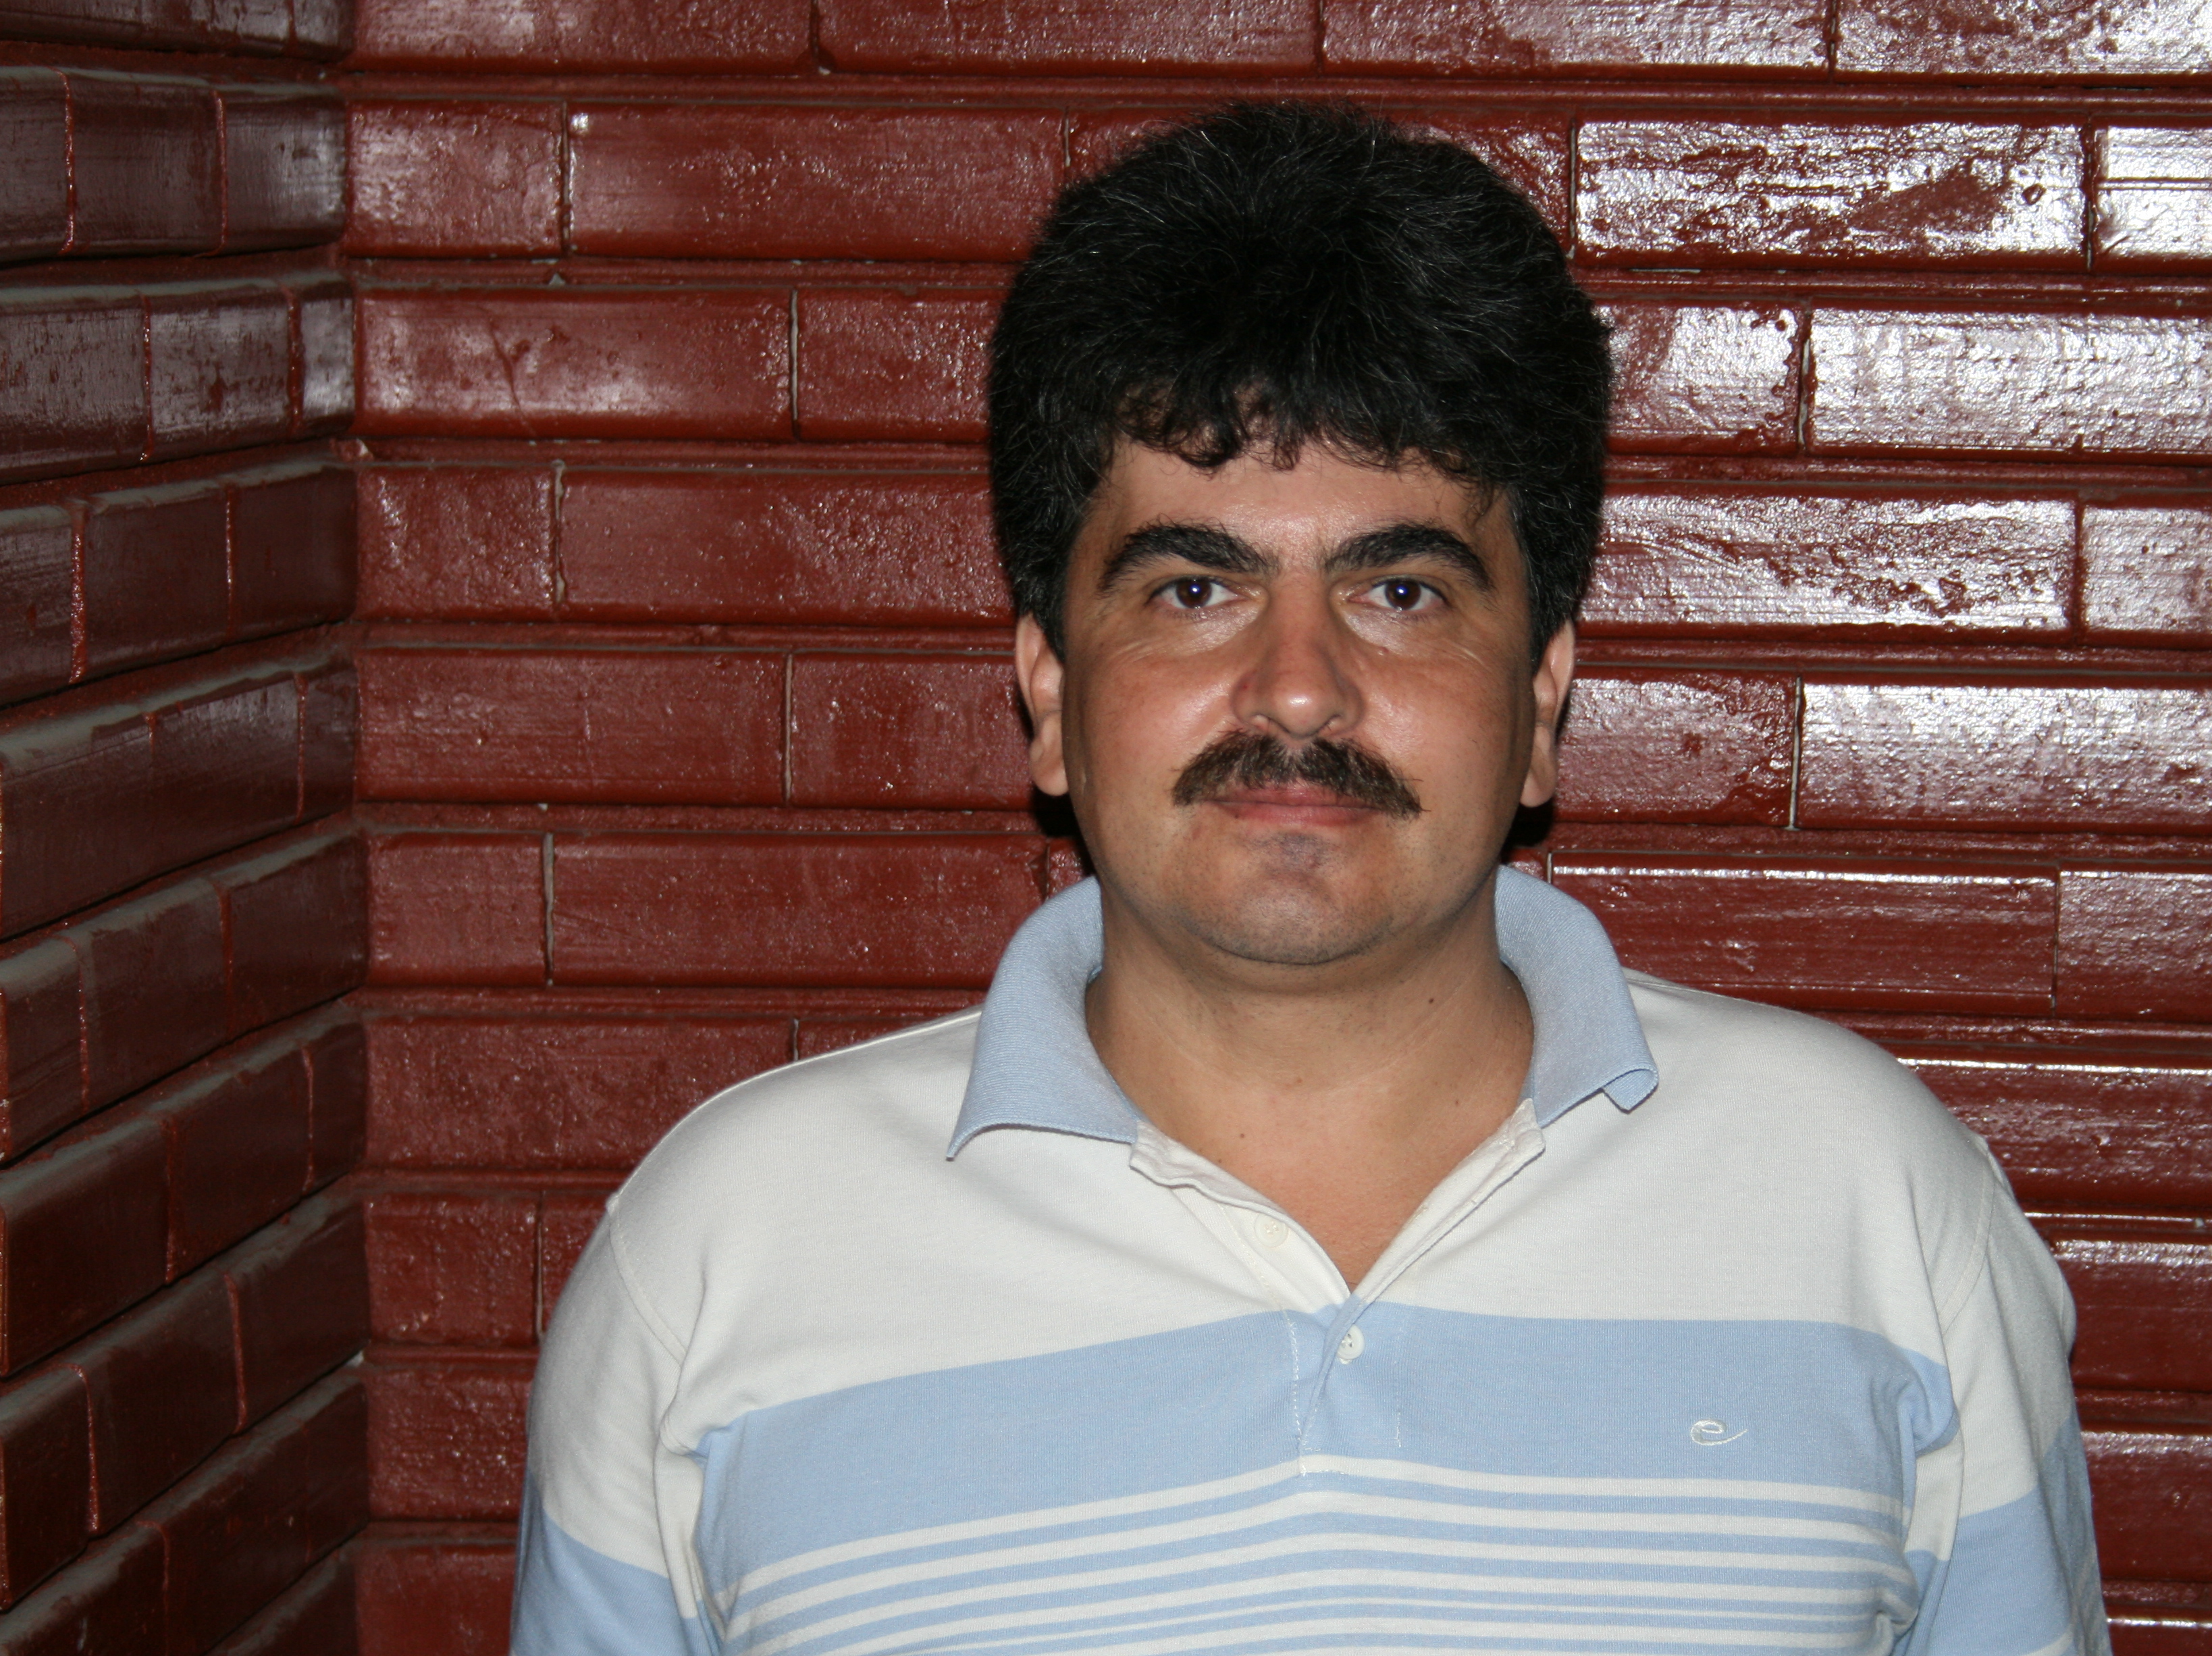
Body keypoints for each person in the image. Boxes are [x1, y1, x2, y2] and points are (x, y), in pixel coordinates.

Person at [511, 102, 2110, 1656]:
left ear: (1541, 698)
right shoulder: (722, 1261)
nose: (1297, 690)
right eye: (1193, 588)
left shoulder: (1874, 1209)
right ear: (1050, 693)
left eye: (1400, 590)